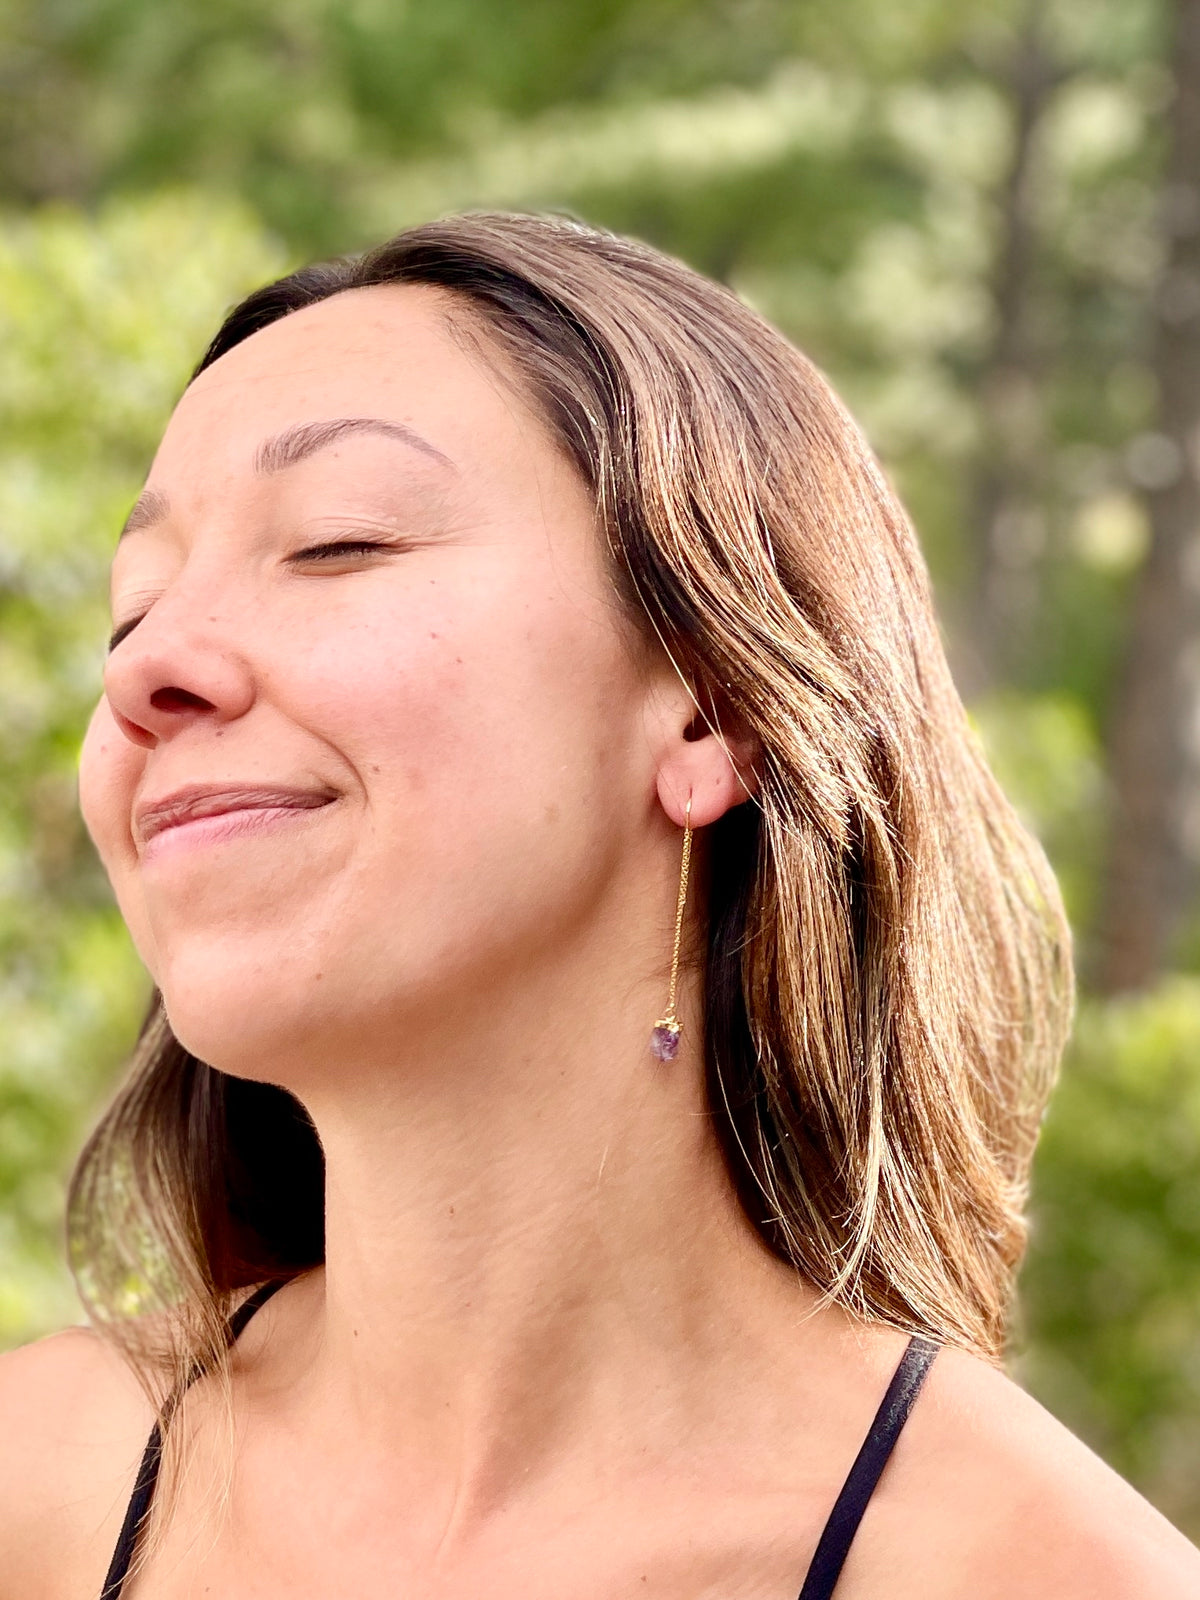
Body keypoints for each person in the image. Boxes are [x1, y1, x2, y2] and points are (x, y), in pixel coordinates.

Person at [1, 211, 1196, 1600]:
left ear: (709, 708)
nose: (146, 672)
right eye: (133, 608)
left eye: (337, 543)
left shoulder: (1040, 1573)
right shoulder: (38, 1482)